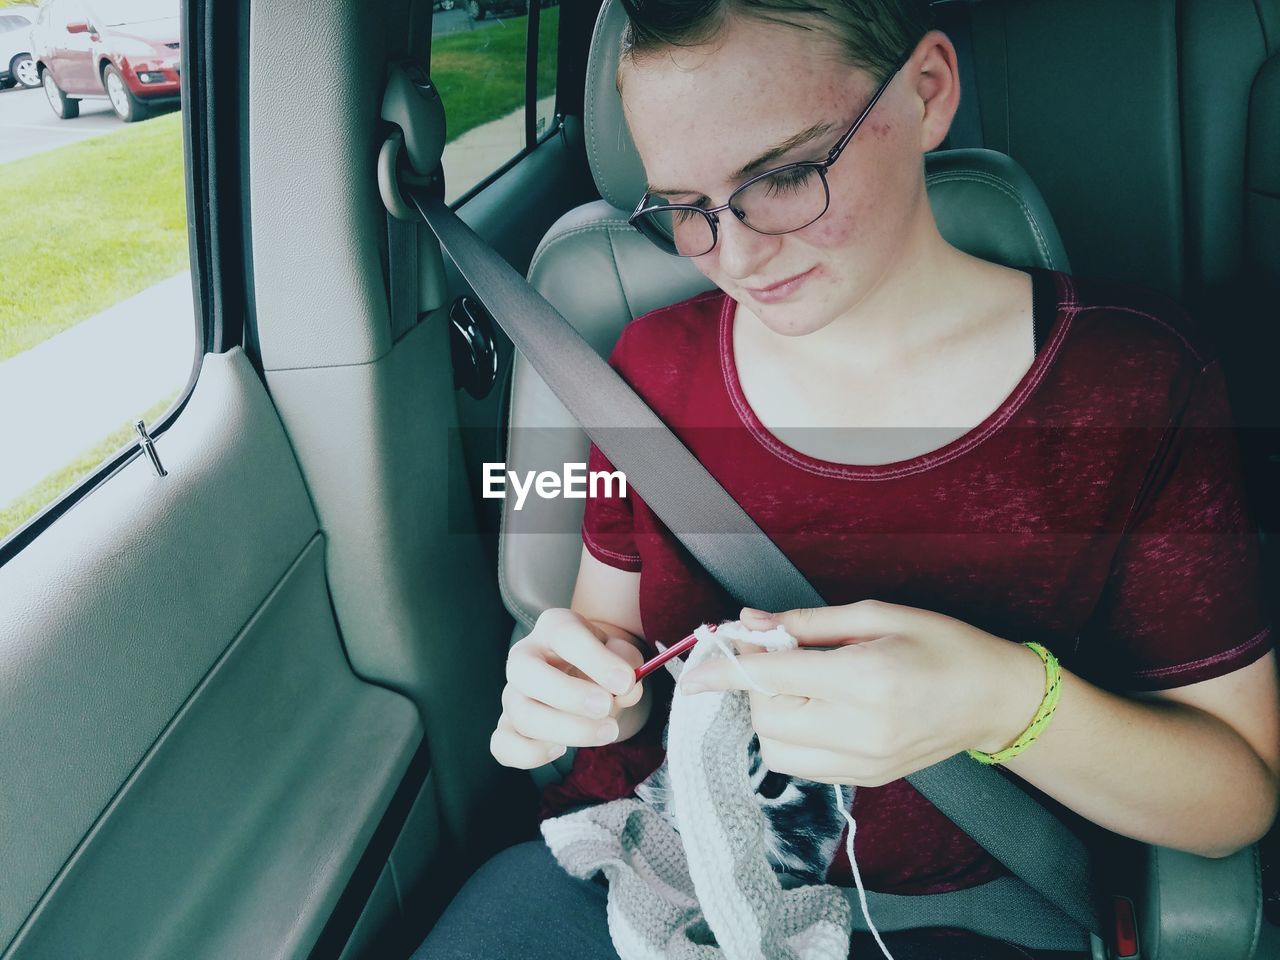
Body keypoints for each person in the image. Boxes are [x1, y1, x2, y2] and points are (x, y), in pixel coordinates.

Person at [412, 0, 1279, 956]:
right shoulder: (643, 375)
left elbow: (1232, 794)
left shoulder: (1138, 382)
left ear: (929, 92)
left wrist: (999, 700)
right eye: (681, 212)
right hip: (663, 868)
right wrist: (584, 686)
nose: (733, 256)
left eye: (783, 176)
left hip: (976, 909)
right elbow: (610, 637)